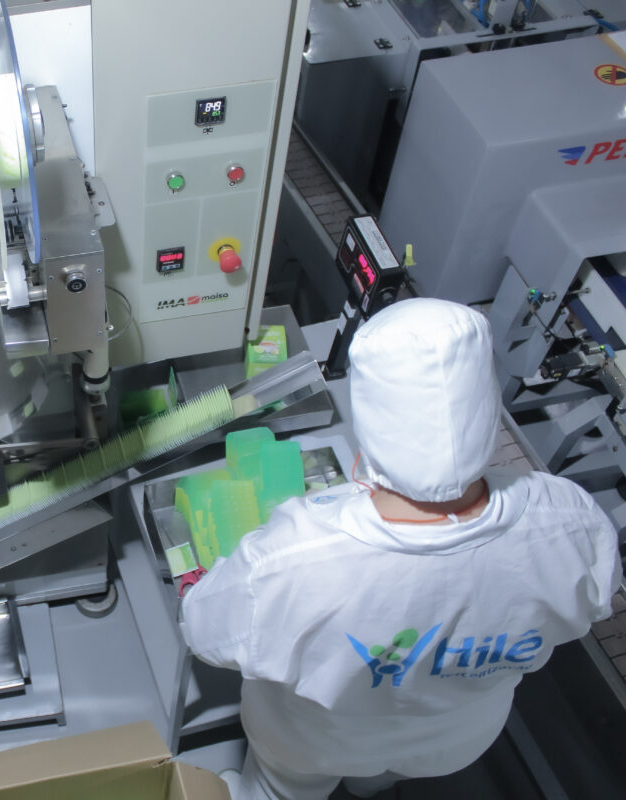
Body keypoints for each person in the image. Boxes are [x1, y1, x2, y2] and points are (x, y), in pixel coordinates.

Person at [180, 298, 623, 800]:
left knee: (278, 790)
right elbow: (592, 600)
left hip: (314, 743)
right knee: (380, 777)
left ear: (370, 423)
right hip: (452, 740)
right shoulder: (570, 521)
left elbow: (204, 631)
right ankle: (368, 787)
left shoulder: (292, 560)